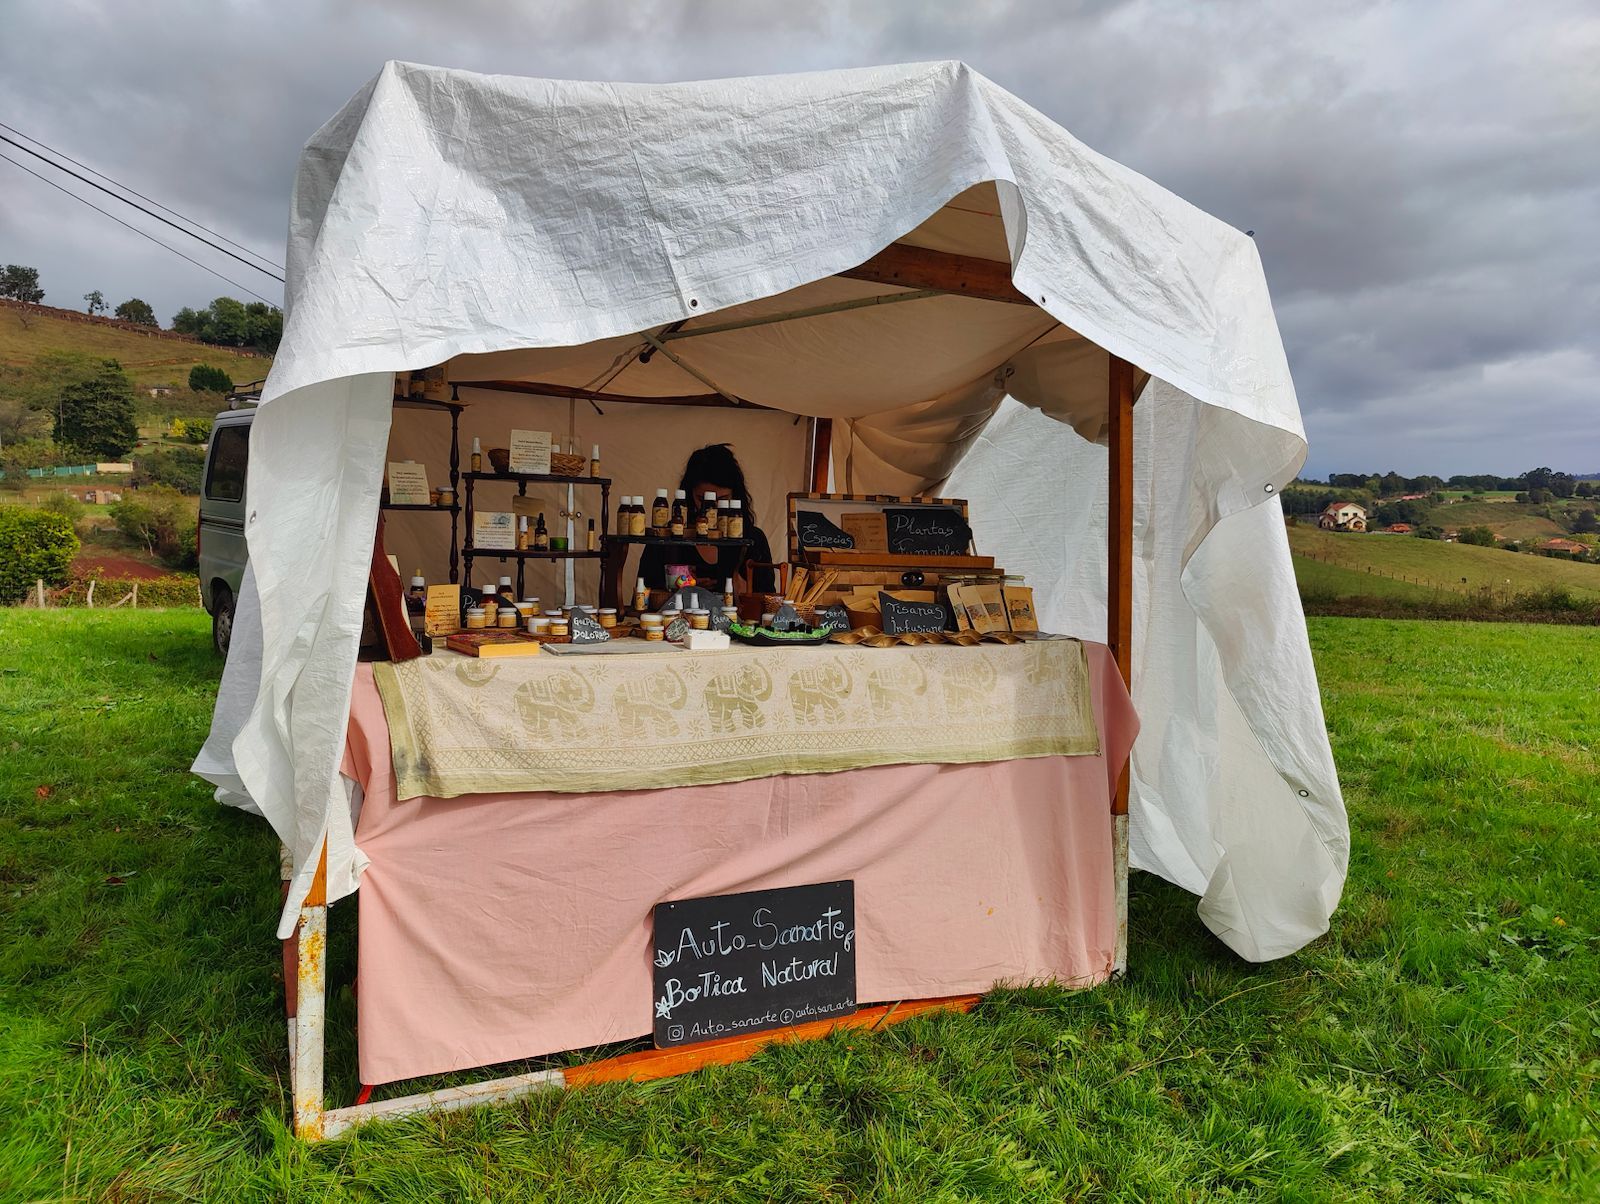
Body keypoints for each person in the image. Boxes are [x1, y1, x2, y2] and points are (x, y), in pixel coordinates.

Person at [638, 443, 774, 593]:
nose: (712, 509)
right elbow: (643, 592)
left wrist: (747, 592)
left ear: (735, 495)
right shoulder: (666, 537)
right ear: (689, 495)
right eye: (703, 500)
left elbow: (771, 601)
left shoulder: (753, 539)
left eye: (722, 499)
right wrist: (681, 590)